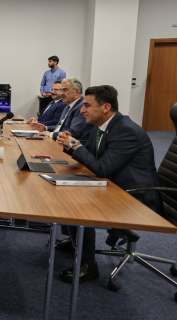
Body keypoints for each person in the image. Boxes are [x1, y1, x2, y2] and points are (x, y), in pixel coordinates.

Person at [55, 85, 163, 284]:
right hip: (117, 183)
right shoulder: (102, 125)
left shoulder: (126, 130)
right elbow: (90, 153)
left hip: (136, 196)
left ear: (105, 107)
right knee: (66, 190)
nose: (82, 110)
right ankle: (75, 242)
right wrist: (69, 145)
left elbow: (102, 168)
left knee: (76, 204)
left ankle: (88, 265)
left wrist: (75, 145)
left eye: (87, 105)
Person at [32, 77, 92, 144]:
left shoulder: (82, 107)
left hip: (69, 146)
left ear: (77, 92)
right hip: (58, 141)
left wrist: (51, 134)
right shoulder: (68, 105)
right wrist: (46, 128)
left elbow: (73, 132)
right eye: (61, 90)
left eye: (65, 90)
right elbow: (60, 127)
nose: (62, 93)